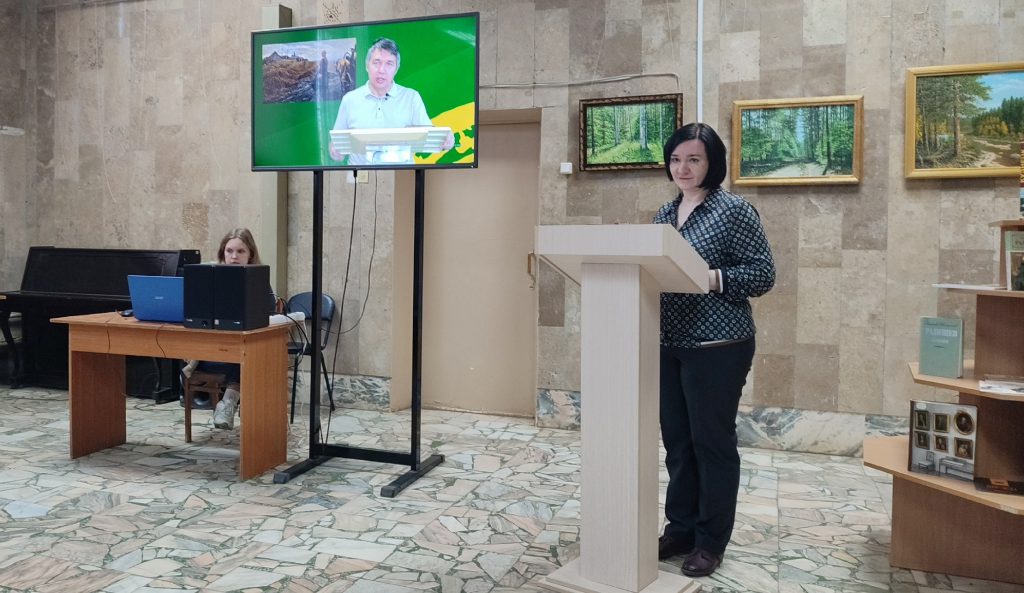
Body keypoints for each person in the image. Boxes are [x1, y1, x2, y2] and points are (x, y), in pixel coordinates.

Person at [653, 123, 776, 577]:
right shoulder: (664, 213)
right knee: (678, 444)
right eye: (676, 159)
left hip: (719, 345)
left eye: (694, 159)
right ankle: (681, 529)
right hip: (669, 343)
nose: (682, 168)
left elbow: (762, 274)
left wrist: (710, 278)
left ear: (712, 163)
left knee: (711, 445)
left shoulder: (734, 211)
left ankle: (710, 541)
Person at [192, 228, 277, 430]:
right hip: (210, 352)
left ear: (250, 255)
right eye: (229, 251)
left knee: (245, 355)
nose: (234, 257)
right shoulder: (209, 280)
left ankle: (228, 403)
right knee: (240, 357)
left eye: (240, 251)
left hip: (242, 353)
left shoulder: (259, 281)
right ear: (222, 254)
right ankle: (228, 403)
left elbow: (269, 314)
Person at [329, 37, 453, 165]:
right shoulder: (350, 99)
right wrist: (334, 151)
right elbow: (336, 147)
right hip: (360, 175)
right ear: (367, 65)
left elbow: (430, 137)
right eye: (376, 62)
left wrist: (446, 139)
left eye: (389, 64)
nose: (381, 70)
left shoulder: (411, 98)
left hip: (403, 174)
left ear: (396, 69)